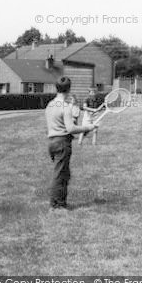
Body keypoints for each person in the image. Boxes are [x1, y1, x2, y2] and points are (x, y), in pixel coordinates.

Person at [45, 77, 98, 210]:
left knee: (63, 173)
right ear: (69, 89)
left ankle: (60, 202)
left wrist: (74, 117)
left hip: (51, 142)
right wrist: (88, 128)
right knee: (60, 175)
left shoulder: (50, 104)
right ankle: (57, 205)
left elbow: (60, 123)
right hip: (62, 143)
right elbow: (71, 129)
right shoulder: (66, 107)